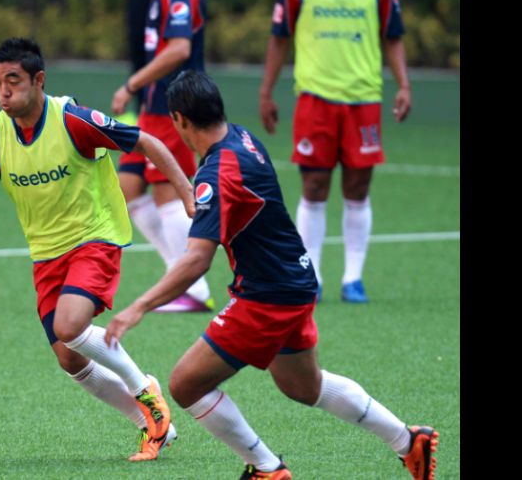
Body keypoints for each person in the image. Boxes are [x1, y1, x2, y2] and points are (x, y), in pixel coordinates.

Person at [105, 71, 438, 479]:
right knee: (303, 387)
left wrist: (137, 307)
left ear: (179, 120)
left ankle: (266, 468)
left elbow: (196, 261)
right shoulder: (242, 139)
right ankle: (408, 440)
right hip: (294, 282)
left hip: (267, 295)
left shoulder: (216, 173)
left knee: (186, 384)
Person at [0, 38, 194, 461]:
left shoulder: (73, 120)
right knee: (70, 360)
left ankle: (147, 395)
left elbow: (146, 142)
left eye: (13, 81)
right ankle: (151, 426)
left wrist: (186, 191)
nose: (4, 92)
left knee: (70, 325)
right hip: (47, 254)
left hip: (95, 237)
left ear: (39, 80)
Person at [259, 0, 412, 303]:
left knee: (358, 186)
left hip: (363, 98)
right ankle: (311, 276)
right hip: (315, 99)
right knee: (314, 186)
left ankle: (353, 278)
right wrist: (266, 92)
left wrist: (404, 85)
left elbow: (392, 37)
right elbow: (279, 38)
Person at [111, 0, 213, 313]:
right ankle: (177, 275)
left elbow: (179, 49)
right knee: (126, 187)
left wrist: (132, 85)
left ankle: (194, 288)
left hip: (176, 106)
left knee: (168, 194)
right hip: (154, 108)